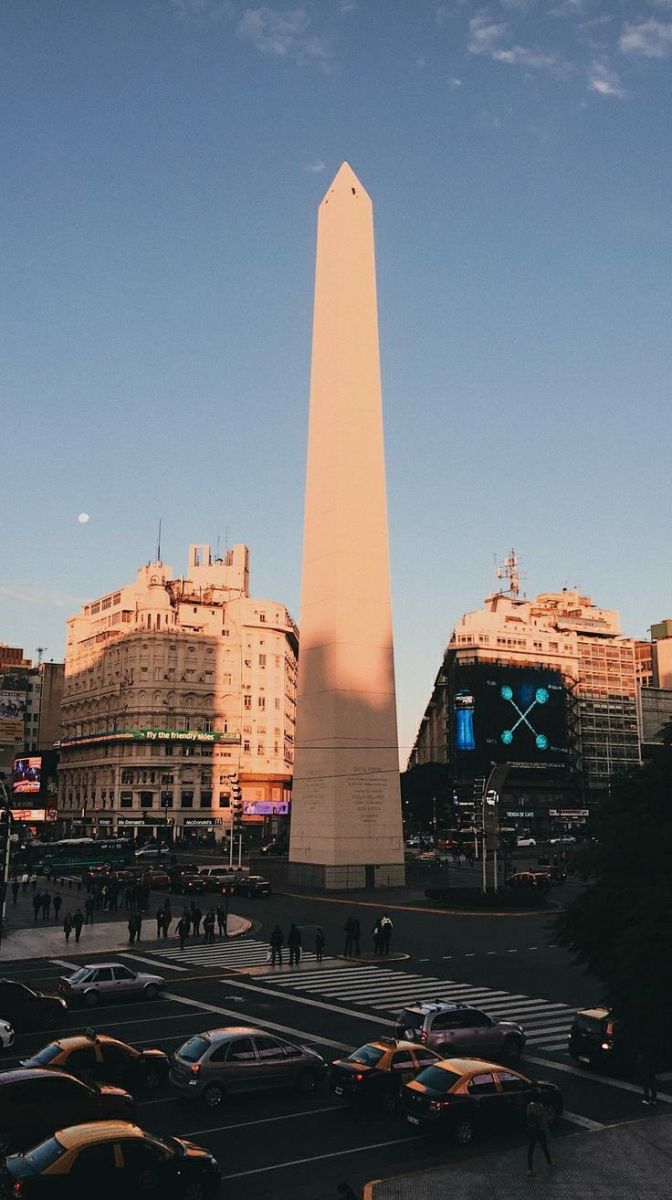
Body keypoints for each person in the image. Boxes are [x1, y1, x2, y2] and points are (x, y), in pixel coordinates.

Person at [526, 1089, 555, 1176]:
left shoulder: (529, 1106)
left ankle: (530, 1169)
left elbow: (528, 1118)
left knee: (530, 1149)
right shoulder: (540, 1107)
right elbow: (544, 1120)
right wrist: (547, 1131)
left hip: (532, 1130)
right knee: (544, 1147)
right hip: (540, 1130)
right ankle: (549, 1162)